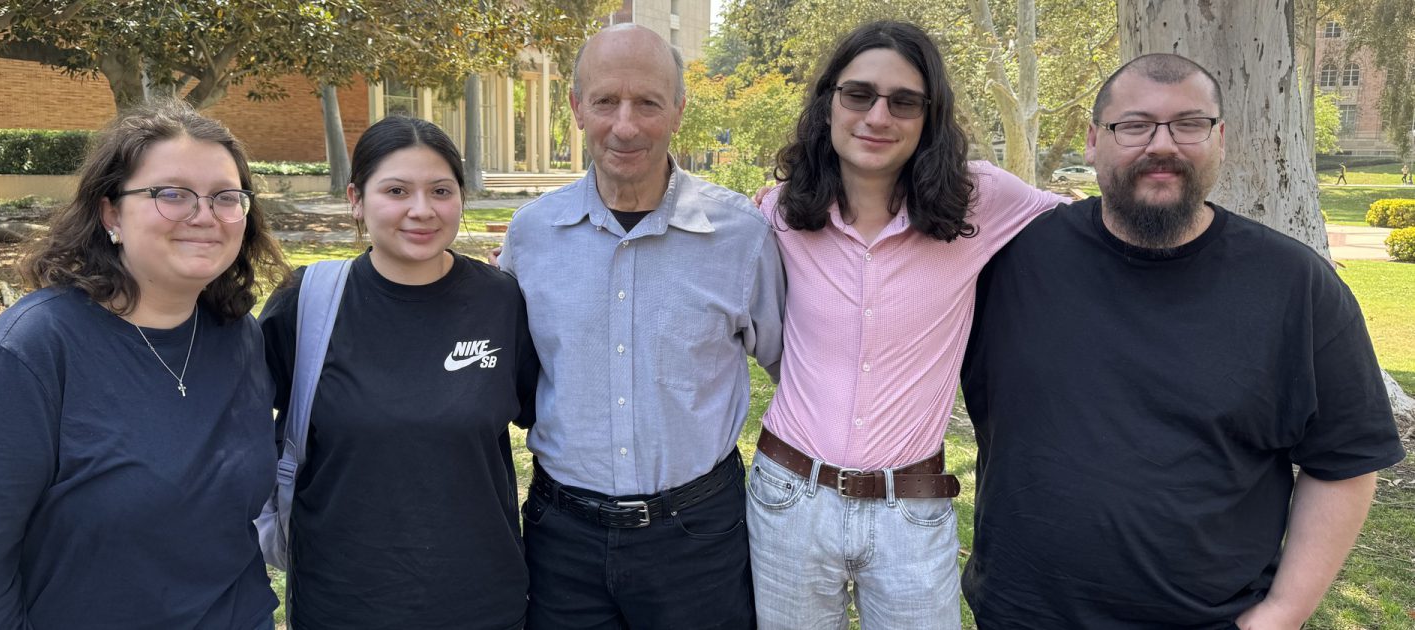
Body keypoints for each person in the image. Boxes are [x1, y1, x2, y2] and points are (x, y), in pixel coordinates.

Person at [961, 53, 1406, 629]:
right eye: (1135, 125)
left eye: (1189, 124)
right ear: (1094, 140)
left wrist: (1284, 614)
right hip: (1021, 614)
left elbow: (1345, 463)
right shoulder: (1012, 259)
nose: (1162, 145)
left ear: (1220, 139)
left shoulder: (1294, 285)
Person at [746, 20, 1068, 629]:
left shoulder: (982, 200)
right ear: (829, 103)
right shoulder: (779, 211)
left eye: (904, 102)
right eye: (858, 94)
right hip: (787, 497)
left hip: (912, 510)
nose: (877, 116)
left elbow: (1086, 235)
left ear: (930, 115)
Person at [0, 100, 287, 629]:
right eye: (171, 194)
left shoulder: (239, 337)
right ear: (110, 212)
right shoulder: (24, 356)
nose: (204, 216)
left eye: (226, 198)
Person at [499, 23, 784, 629]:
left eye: (648, 102)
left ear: (679, 109)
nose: (624, 125)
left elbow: (795, 368)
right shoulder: (531, 236)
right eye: (605, 101)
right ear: (576, 108)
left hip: (698, 538)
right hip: (563, 539)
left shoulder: (740, 237)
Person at [258, 115, 538, 629]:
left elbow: (549, 422)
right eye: (396, 190)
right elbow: (236, 426)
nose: (421, 210)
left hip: (482, 600)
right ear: (356, 199)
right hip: (343, 602)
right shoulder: (309, 301)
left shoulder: (500, 300)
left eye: (440, 190)